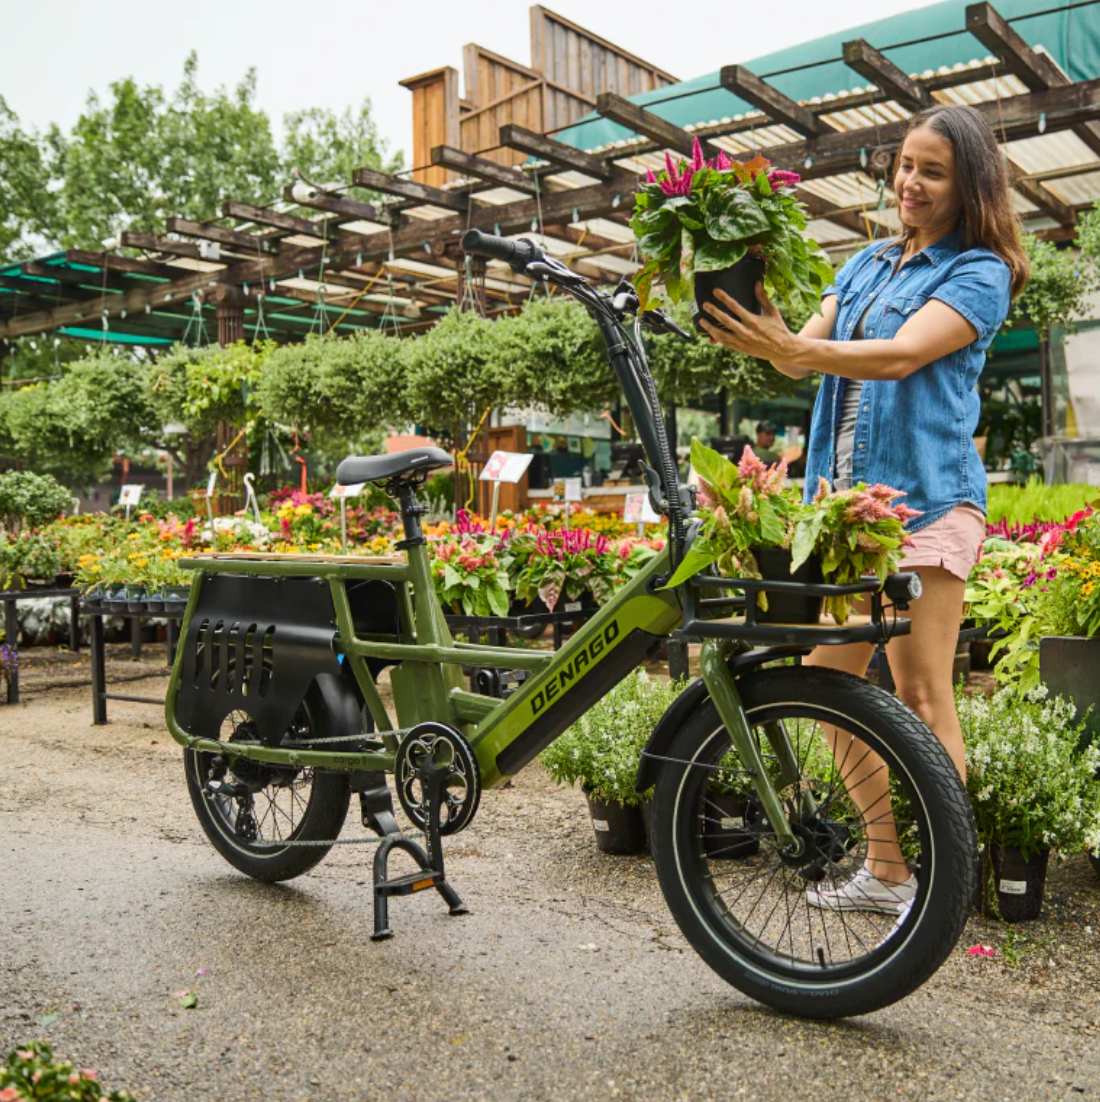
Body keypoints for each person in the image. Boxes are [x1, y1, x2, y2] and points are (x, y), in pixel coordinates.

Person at [699, 103, 1028, 915]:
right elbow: (796, 350)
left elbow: (901, 354)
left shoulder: (978, 270)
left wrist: (798, 349)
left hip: (923, 503)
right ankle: (886, 873)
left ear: (968, 186)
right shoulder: (866, 265)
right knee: (824, 684)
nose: (910, 183)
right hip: (839, 516)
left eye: (933, 171)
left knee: (921, 694)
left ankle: (947, 888)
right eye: (905, 165)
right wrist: (745, 311)